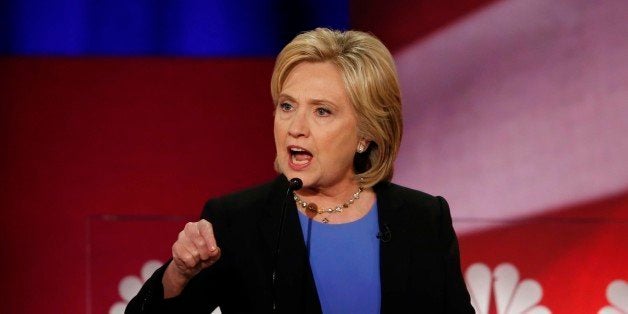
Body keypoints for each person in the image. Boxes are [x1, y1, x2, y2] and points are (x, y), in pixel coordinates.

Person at [127, 28, 474, 313]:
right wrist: (178, 275)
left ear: (366, 134)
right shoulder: (237, 221)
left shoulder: (424, 220)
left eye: (322, 111)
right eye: (287, 106)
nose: (295, 127)